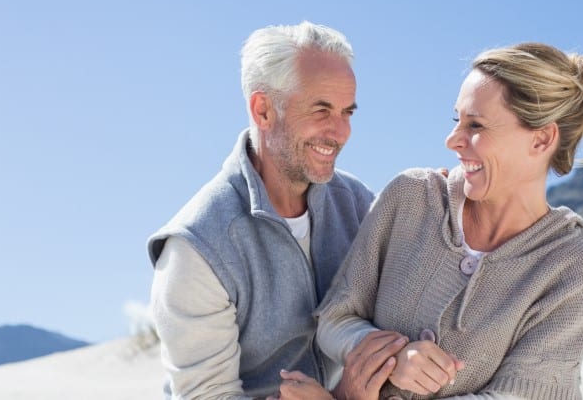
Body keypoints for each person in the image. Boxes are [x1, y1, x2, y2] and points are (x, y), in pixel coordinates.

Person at [285, 42, 583, 400]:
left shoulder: (574, 266)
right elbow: (337, 318)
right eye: (456, 120)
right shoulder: (411, 198)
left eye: (475, 125)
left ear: (541, 139)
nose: (452, 140)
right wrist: (388, 356)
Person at [148, 21, 405, 400]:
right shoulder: (197, 247)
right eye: (321, 110)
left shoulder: (358, 206)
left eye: (347, 112)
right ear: (264, 109)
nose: (340, 132)